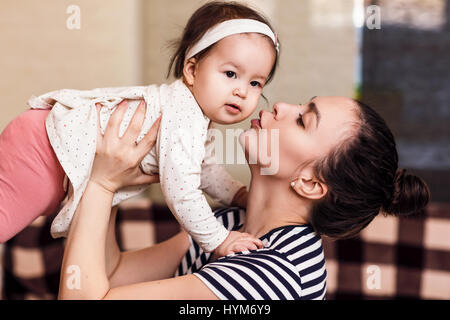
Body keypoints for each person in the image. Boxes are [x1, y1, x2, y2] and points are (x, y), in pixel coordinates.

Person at [58, 95, 430, 300]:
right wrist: (115, 176)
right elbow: (113, 276)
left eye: (302, 120)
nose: (282, 106)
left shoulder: (276, 274)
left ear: (310, 183)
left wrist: (100, 184)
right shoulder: (229, 226)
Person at [0, 1, 280, 257]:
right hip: (45, 147)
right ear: (192, 70)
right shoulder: (184, 114)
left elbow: (205, 170)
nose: (242, 91)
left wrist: (237, 195)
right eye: (230, 74)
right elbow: (181, 191)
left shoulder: (193, 115)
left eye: (256, 83)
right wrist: (218, 240)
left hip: (48, 141)